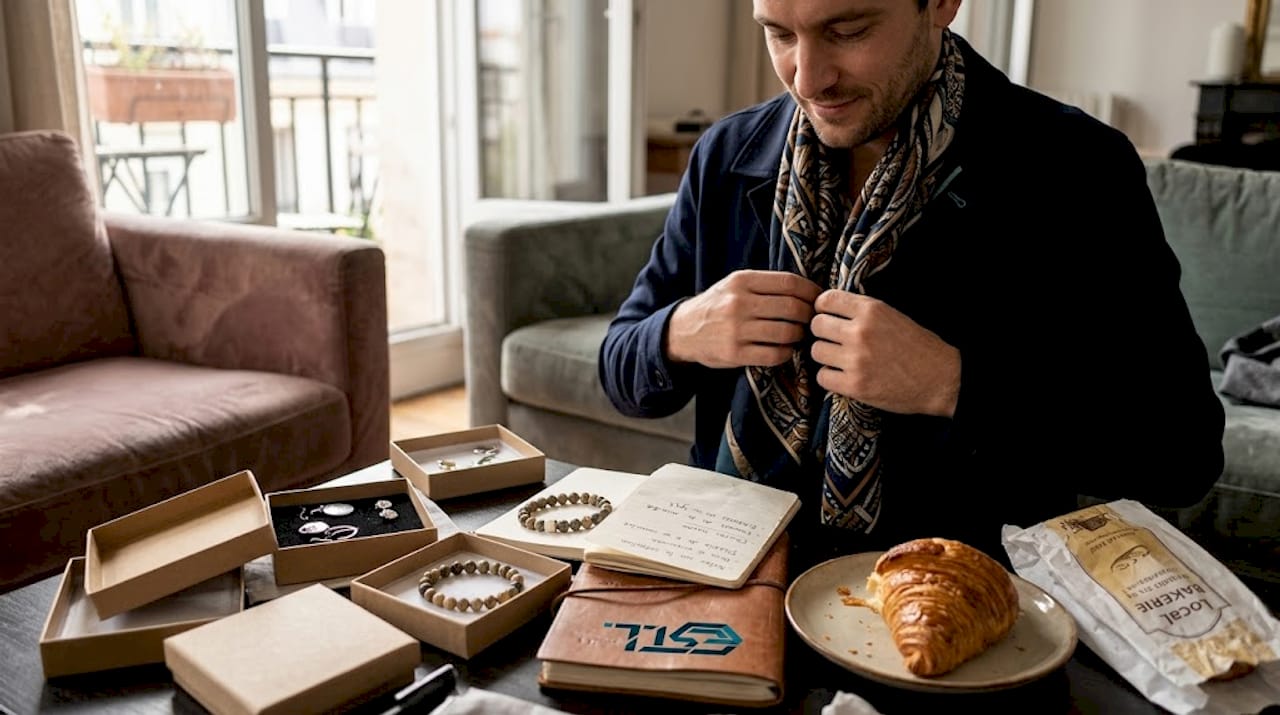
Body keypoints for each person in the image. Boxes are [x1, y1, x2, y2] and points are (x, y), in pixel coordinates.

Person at [598, 0, 1225, 567]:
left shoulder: (1076, 170)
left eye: (847, 31)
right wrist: (682, 332)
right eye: (779, 34)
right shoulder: (727, 155)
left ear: (942, 4)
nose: (807, 79)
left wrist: (952, 385)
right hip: (723, 567)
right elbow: (622, 368)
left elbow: (1180, 452)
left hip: (953, 602)